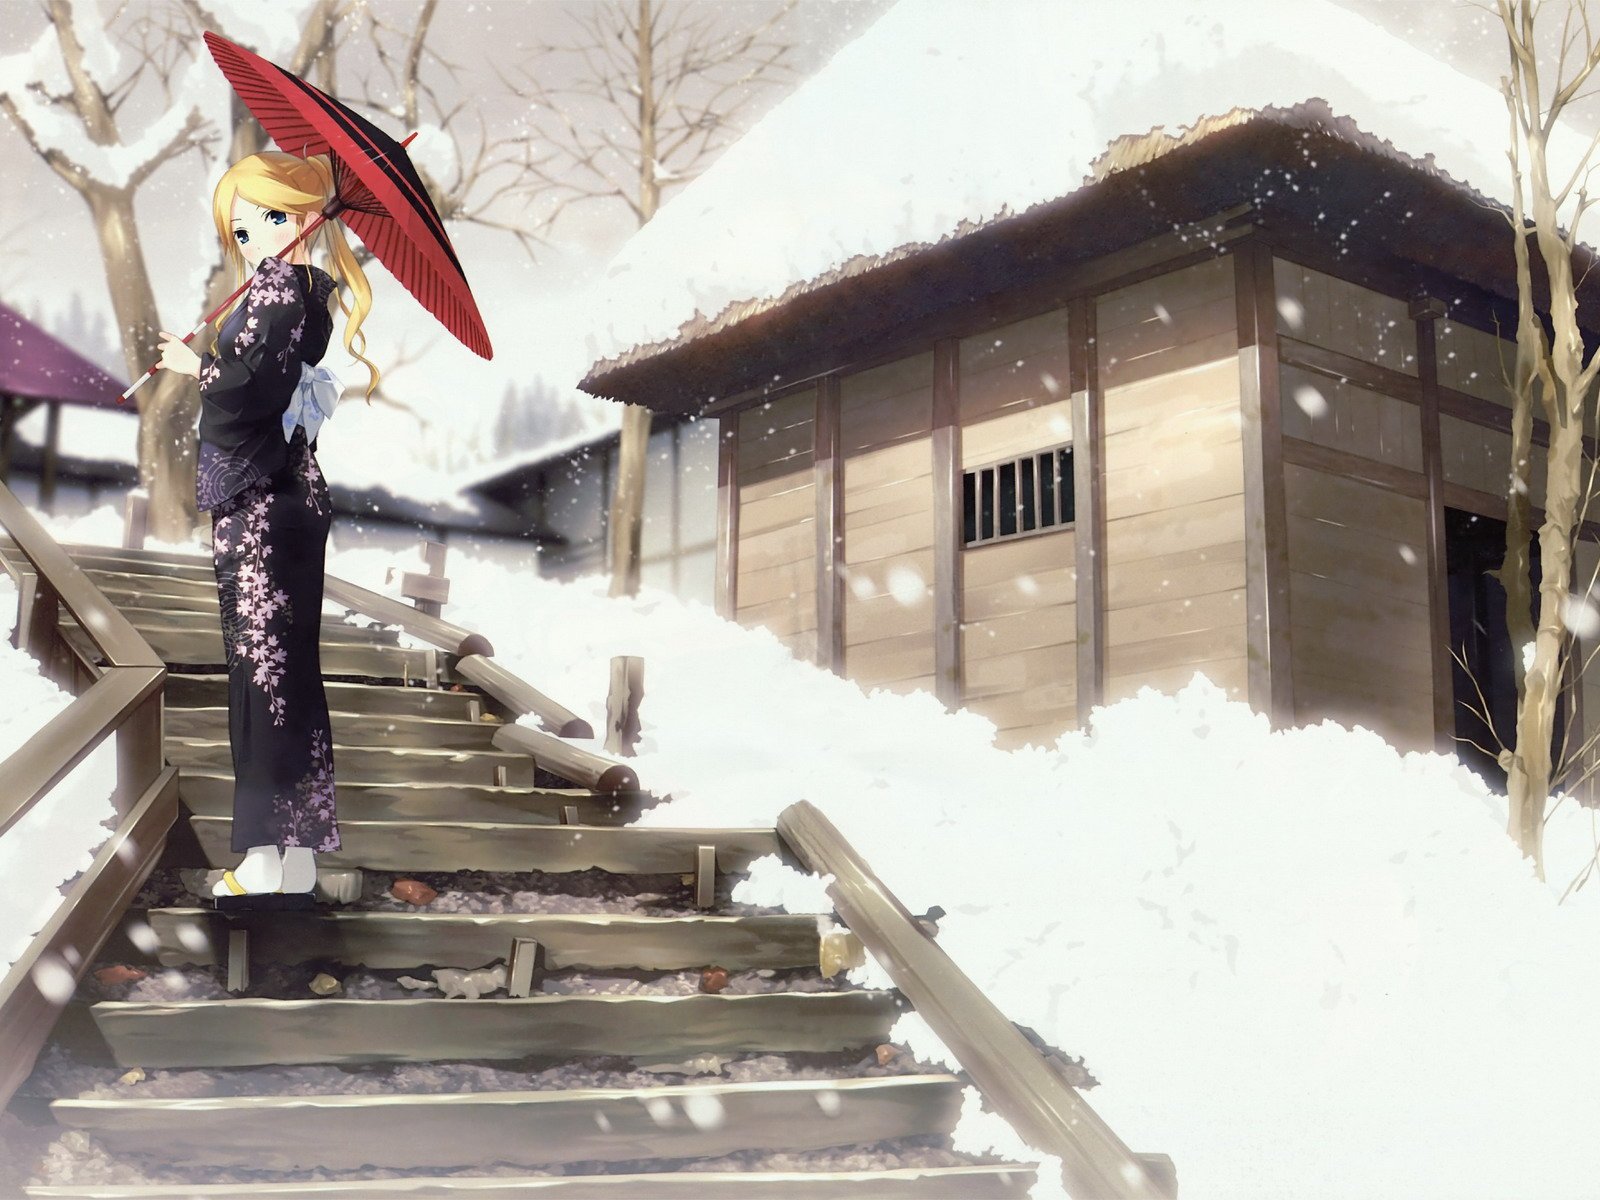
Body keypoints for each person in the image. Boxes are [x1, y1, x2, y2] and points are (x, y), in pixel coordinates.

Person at [155, 150, 380, 898]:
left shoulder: (282, 294)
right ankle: (297, 858)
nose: (254, 239)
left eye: (272, 219)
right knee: (285, 676)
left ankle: (260, 858)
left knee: (262, 678)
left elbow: (249, 397)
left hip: (261, 502)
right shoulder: (299, 295)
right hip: (284, 500)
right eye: (242, 227)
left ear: (309, 220)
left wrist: (196, 371)